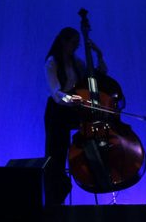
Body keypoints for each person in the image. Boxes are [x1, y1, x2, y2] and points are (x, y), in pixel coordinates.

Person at [41, 27, 105, 207]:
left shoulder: (76, 62)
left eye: (78, 44)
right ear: (63, 42)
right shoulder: (52, 62)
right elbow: (55, 93)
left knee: (89, 140)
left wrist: (99, 55)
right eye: (73, 43)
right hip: (57, 111)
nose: (76, 48)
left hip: (73, 109)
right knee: (56, 155)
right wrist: (71, 97)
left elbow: (96, 76)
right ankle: (56, 196)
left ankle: (92, 171)